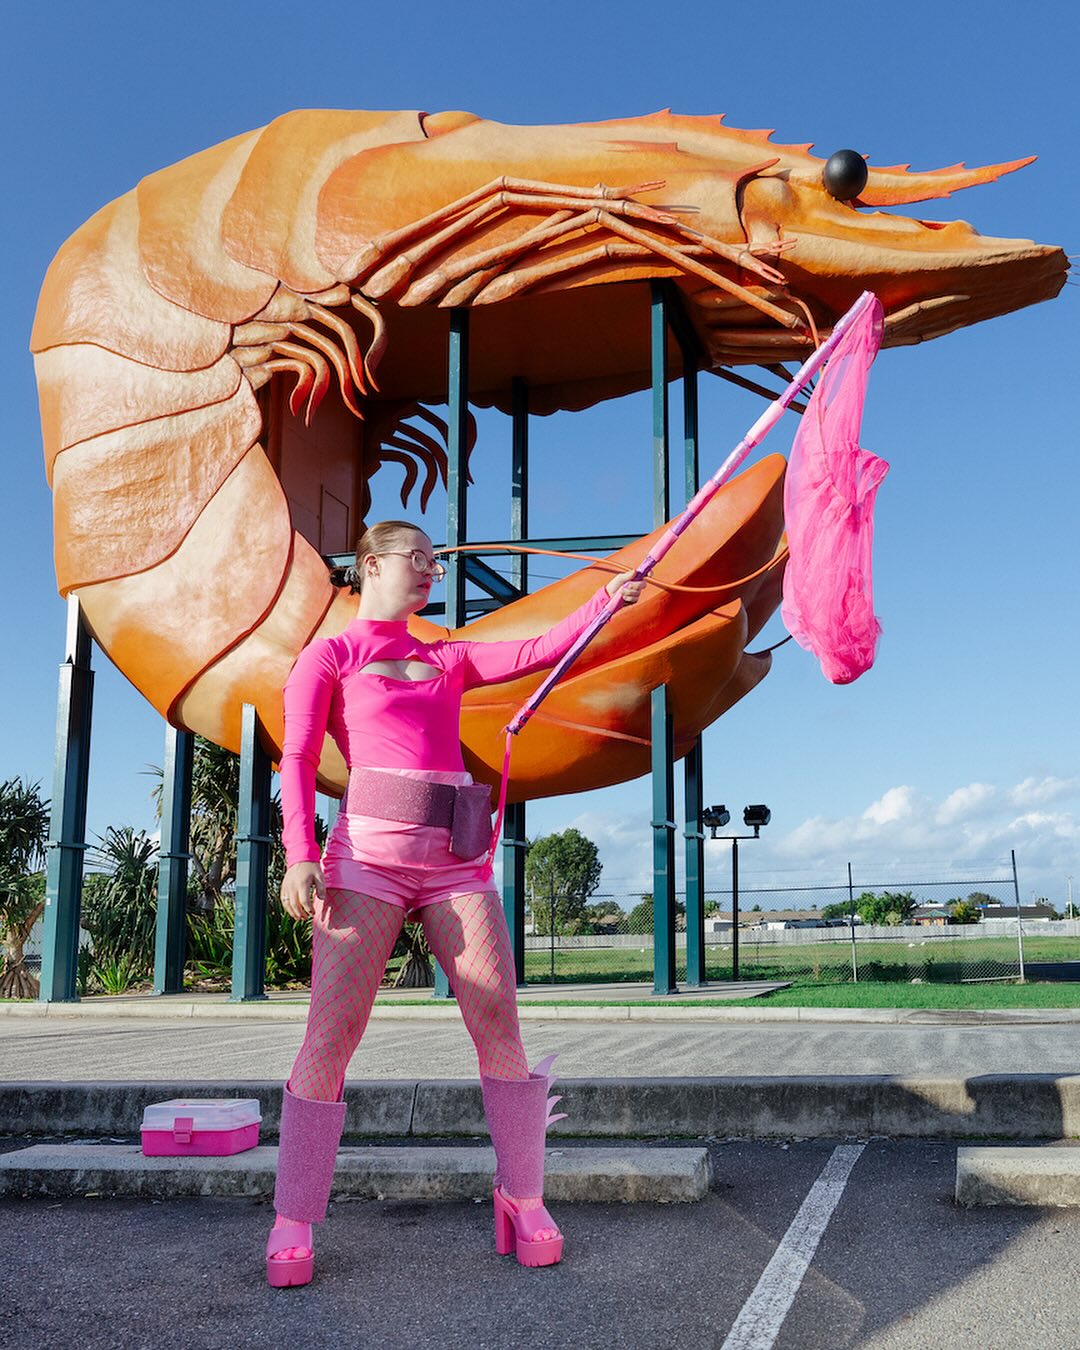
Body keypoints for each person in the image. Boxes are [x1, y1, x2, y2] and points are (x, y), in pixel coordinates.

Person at [267, 519, 643, 1287]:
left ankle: (523, 1197)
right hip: (363, 864)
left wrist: (607, 602)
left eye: (437, 561)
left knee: (500, 1027)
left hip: (454, 869)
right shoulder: (330, 654)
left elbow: (539, 651)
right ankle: (293, 1216)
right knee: (330, 1038)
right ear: (371, 565)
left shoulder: (448, 654)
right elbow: (299, 756)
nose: (432, 570)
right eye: (419, 558)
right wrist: (300, 855)